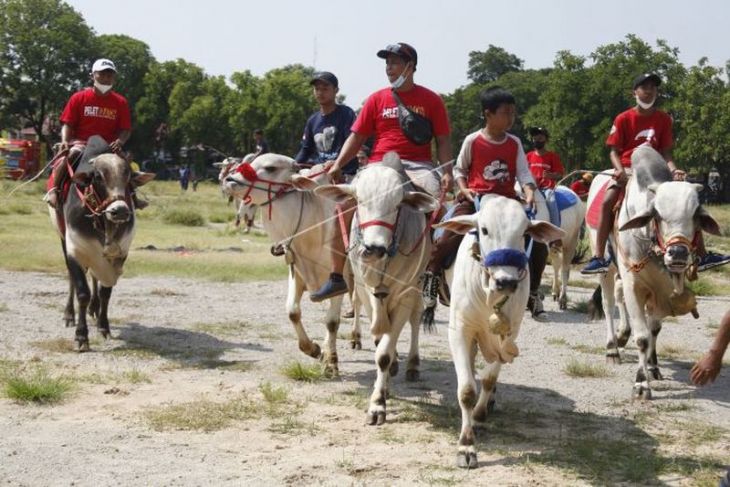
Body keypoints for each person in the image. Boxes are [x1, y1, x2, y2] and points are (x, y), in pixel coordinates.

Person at [312, 42, 454, 302]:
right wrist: (338, 164)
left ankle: (436, 276)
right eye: (387, 63)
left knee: (440, 210)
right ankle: (336, 277)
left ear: (410, 67)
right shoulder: (376, 99)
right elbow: (356, 137)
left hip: (417, 165)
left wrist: (446, 172)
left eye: (395, 62)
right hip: (377, 165)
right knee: (341, 210)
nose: (389, 68)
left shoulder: (432, 100)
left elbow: (443, 140)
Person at [581, 72, 730, 274]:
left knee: (688, 202)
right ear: (635, 92)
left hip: (657, 170)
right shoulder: (623, 118)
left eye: (653, 87)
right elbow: (614, 151)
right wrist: (619, 171)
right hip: (628, 168)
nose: (649, 90)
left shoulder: (664, 119)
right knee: (608, 201)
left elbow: (666, 153)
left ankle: (702, 256)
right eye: (644, 87)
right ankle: (599, 257)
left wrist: (674, 170)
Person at [421, 87, 538, 323]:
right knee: (444, 239)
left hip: (506, 204)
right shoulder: (473, 140)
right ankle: (431, 281)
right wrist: (463, 189)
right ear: (488, 114)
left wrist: (529, 191)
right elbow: (460, 169)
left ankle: (533, 292)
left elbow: (524, 173)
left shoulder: (514, 142)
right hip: (475, 201)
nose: (511, 118)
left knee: (538, 241)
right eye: (505, 113)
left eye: (513, 113)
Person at [45, 58, 133, 208]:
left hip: (108, 147)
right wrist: (65, 141)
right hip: (82, 144)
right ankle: (54, 190)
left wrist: (120, 141)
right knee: (70, 155)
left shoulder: (120, 102)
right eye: (102, 74)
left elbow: (126, 129)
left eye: (110, 75)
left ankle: (133, 197)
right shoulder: (78, 98)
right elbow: (68, 123)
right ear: (92, 76)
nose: (106, 78)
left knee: (125, 167)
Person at [294, 71, 358, 182]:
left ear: (336, 90)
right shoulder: (312, 120)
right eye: (317, 89)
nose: (320, 92)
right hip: (320, 174)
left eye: (325, 89)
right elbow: (306, 150)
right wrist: (293, 166)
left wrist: (337, 163)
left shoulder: (346, 114)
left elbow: (353, 144)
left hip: (345, 175)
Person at [526, 126, 564, 227]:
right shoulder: (528, 156)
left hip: (545, 189)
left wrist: (551, 175)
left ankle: (555, 229)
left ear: (545, 140)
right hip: (530, 188)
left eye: (540, 138)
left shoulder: (552, 156)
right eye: (535, 138)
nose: (537, 140)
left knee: (551, 201)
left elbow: (560, 175)